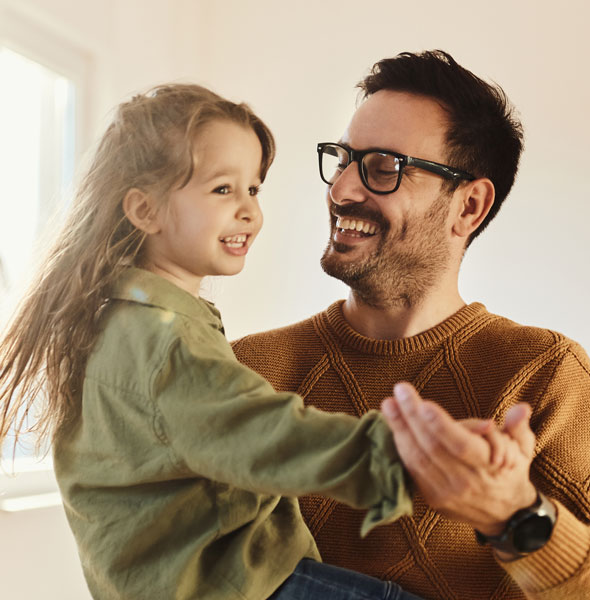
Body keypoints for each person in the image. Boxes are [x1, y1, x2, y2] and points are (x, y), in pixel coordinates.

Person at [0, 82, 459, 600]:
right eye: (223, 190)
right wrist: (397, 456)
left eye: (254, 189)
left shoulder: (113, 321)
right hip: (247, 586)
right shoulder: (167, 343)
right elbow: (263, 432)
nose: (248, 211)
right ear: (144, 210)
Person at [232, 50, 590, 600]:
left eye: (383, 167)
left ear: (469, 207)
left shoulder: (545, 377)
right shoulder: (243, 372)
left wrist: (513, 515)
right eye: (343, 160)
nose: (341, 191)